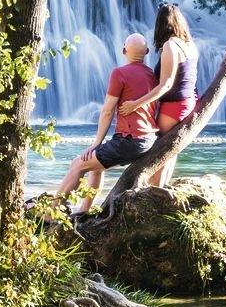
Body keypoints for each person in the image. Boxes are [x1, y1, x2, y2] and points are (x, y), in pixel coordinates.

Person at [56, 32, 158, 213]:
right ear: (148, 52)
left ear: (123, 50)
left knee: (79, 163)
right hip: (147, 139)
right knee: (95, 167)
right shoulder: (153, 75)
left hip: (128, 140)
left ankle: (51, 212)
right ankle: (83, 210)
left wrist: (96, 143)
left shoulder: (120, 73)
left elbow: (107, 111)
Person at [123, 3, 198, 188]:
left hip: (173, 106)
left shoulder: (170, 46)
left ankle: (155, 190)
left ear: (161, 24)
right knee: (170, 150)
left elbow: (166, 85)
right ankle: (161, 188)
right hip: (188, 102)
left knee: (158, 151)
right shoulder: (190, 45)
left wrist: (136, 104)